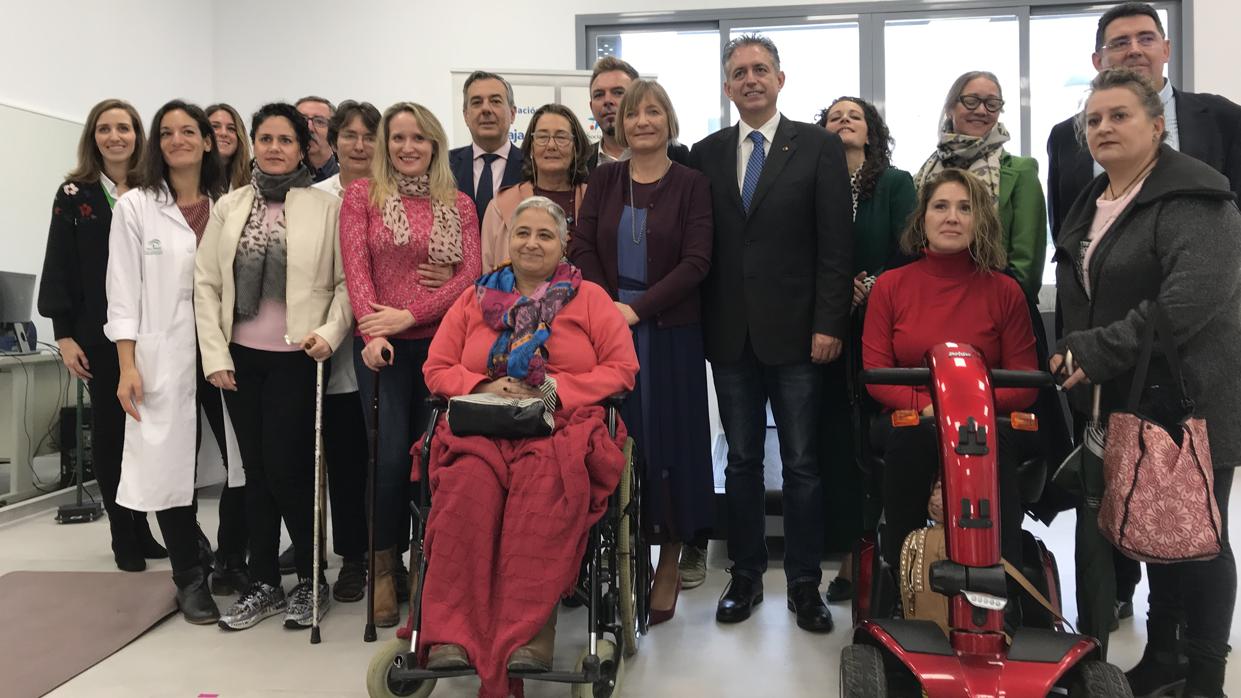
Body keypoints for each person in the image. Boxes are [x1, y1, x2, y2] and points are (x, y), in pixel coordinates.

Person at [1046, 0, 1241, 648]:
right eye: (1093, 118)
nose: (1103, 127)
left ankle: (1205, 677)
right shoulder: (1093, 199)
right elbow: (1081, 284)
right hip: (1128, 395)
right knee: (1152, 526)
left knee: (1198, 533)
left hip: (1192, 393)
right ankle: (1161, 657)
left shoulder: (1197, 191)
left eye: (1119, 116)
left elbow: (1188, 299)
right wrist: (1078, 353)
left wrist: (1094, 351)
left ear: (1156, 126)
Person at [419, 196, 638, 698]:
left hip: (561, 424)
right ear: (506, 240)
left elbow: (622, 368)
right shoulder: (474, 298)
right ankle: (452, 633)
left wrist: (558, 388)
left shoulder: (589, 299)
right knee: (464, 492)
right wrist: (480, 384)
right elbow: (436, 367)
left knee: (543, 492)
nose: (532, 243)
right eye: (523, 233)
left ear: (563, 243)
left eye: (545, 234)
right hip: (483, 424)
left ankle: (530, 636)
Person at [690, 34, 853, 633]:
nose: (751, 79)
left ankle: (805, 583)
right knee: (740, 464)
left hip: (799, 338)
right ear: (727, 87)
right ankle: (746, 576)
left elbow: (836, 245)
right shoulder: (704, 154)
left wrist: (828, 323)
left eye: (761, 69)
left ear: (781, 80)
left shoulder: (818, 147)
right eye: (739, 72)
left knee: (804, 464)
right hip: (730, 335)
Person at [196, 102, 353, 632]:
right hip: (240, 361)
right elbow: (207, 284)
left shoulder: (324, 207)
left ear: (303, 147)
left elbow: (345, 285)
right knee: (254, 473)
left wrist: (329, 334)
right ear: (253, 143)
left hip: (298, 358)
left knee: (290, 470)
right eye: (265, 138)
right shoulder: (231, 206)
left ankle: (311, 580)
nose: (275, 148)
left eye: (286, 139)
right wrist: (215, 356)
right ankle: (263, 581)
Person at [571, 79, 714, 626]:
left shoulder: (692, 184)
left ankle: (671, 556)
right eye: (633, 114)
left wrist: (639, 309)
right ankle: (614, 553)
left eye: (653, 112)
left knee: (672, 436)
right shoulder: (605, 180)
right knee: (615, 438)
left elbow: (697, 262)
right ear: (620, 125)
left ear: (669, 121)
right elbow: (582, 245)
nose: (642, 122)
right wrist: (609, 308)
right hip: (608, 332)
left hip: (670, 331)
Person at [862, 168, 1039, 597]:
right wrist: (934, 410)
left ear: (981, 221)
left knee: (995, 439)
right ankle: (905, 585)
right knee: (913, 437)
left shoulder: (1005, 291)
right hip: (913, 418)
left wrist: (961, 411)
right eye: (941, 206)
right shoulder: (890, 286)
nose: (952, 217)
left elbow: (1025, 384)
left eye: (965, 208)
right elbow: (875, 375)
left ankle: (1005, 591)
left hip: (984, 422)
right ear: (922, 218)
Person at [339, 102, 481, 627]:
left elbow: (471, 276)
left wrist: (410, 314)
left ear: (435, 145)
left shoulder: (460, 204)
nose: (407, 148)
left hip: (443, 347)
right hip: (382, 348)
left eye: (418, 138)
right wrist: (374, 330)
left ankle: (429, 563)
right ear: (385, 145)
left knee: (438, 459)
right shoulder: (362, 197)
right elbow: (357, 270)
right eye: (397, 138)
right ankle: (383, 566)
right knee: (390, 460)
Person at [104, 100, 229, 623]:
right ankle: (189, 577)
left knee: (243, 463)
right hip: (163, 352)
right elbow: (122, 291)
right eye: (167, 132)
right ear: (158, 145)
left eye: (188, 131)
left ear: (207, 141)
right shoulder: (136, 206)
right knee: (168, 464)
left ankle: (231, 560)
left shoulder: (229, 202)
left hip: (225, 349)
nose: (178, 139)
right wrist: (127, 364)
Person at [36, 99, 164, 573]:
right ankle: (121, 534)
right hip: (97, 335)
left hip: (151, 332)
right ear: (93, 136)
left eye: (124, 128)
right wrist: (63, 334)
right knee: (113, 435)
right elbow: (59, 265)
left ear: (137, 135)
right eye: (105, 129)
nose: (115, 137)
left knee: (147, 436)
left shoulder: (155, 190)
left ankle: (144, 526)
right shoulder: (75, 194)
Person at [815, 95, 918, 602]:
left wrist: (873, 283)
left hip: (885, 326)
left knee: (879, 443)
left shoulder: (898, 184)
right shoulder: (814, 183)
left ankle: (892, 556)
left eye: (854, 116)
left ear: (872, 131)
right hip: (828, 327)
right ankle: (846, 555)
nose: (844, 122)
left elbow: (911, 247)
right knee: (836, 443)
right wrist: (837, 292)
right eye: (834, 117)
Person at [1047, 2, 1241, 241]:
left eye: (1146, 39)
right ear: (1098, 61)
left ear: (1166, 50)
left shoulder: (1224, 118)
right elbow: (1064, 231)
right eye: (1120, 43)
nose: (1135, 50)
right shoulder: (1065, 136)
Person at [313, 99, 381, 604]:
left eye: (369, 136)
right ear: (333, 141)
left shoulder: (397, 195)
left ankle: (390, 557)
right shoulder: (311, 199)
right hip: (331, 352)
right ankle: (353, 557)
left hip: (386, 343)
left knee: (388, 459)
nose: (360, 145)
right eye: (350, 136)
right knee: (347, 459)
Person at [914, 72, 1046, 299]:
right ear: (950, 108)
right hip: (927, 302)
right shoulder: (924, 174)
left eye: (992, 104)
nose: (982, 110)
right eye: (971, 101)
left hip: (997, 308)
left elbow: (1027, 268)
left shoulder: (1021, 171)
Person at [480, 103, 590, 272]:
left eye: (561, 137)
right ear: (531, 146)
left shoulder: (594, 199)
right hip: (513, 298)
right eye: (542, 137)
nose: (551, 146)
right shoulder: (500, 207)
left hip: (584, 297)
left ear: (575, 147)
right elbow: (487, 274)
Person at [585, 56, 691, 171]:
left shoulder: (679, 155)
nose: (607, 101)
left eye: (618, 92)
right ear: (591, 107)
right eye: (599, 95)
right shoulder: (580, 161)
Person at [449, 71, 525, 223]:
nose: (486, 109)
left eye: (495, 101)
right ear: (465, 116)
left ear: (512, 113)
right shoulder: (444, 165)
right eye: (477, 102)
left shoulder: (533, 167)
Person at [208, 103, 252, 191]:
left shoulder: (253, 181)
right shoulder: (189, 178)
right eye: (215, 127)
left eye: (231, 129)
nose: (223, 133)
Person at [297, 96, 339, 183]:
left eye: (319, 121)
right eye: (302, 120)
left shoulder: (347, 181)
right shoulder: (276, 182)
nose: (309, 128)